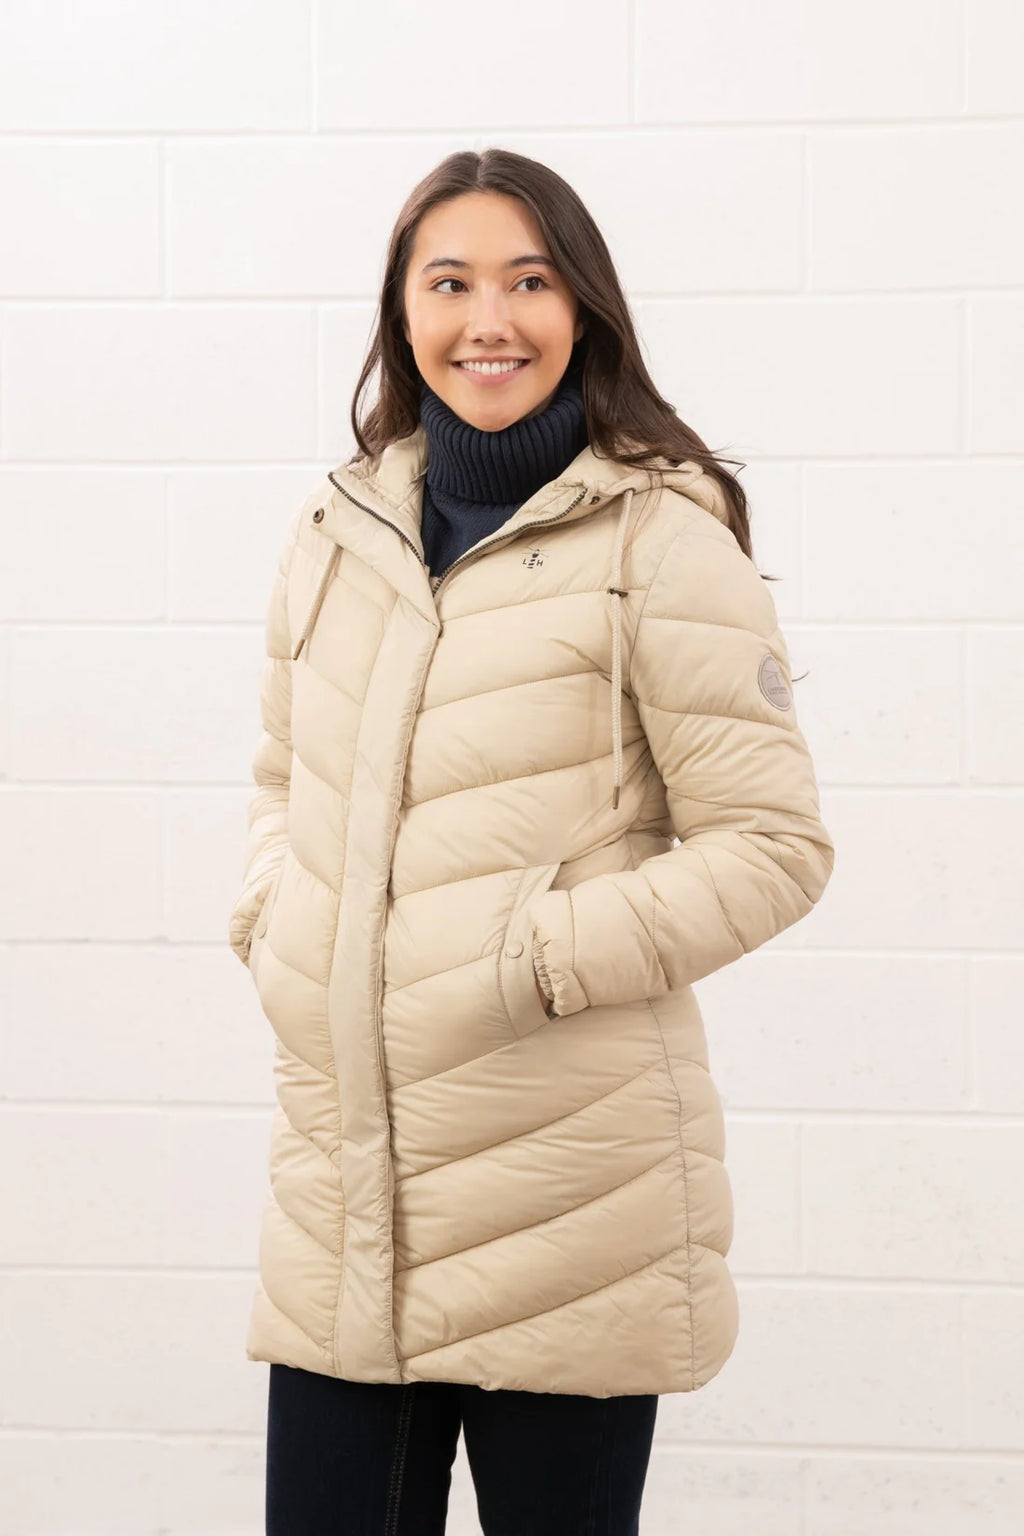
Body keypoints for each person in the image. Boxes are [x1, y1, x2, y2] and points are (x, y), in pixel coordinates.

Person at [228, 147, 835, 1536]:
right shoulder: (338, 529)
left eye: (528, 280)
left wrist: (535, 957)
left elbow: (772, 843)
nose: (485, 319)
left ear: (584, 311)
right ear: (404, 312)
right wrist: (279, 922)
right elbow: (280, 781)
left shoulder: (661, 538)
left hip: (575, 1208)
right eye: (450, 283)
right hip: (346, 1202)